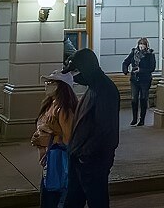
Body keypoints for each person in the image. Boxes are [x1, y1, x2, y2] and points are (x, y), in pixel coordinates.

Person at [62, 49, 120, 208]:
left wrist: (85, 155)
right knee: (73, 201)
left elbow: (106, 131)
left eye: (76, 71)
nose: (74, 77)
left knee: (97, 201)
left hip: (92, 162)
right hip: (81, 159)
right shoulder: (93, 88)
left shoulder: (105, 90)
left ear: (86, 68)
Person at [31, 70, 78, 208]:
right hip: (48, 160)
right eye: (47, 82)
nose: (47, 85)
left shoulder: (64, 109)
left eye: (51, 82)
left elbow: (69, 140)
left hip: (59, 162)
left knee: (55, 199)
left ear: (62, 86)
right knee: (47, 199)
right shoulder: (50, 104)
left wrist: (51, 139)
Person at [121, 37, 156, 126]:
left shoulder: (150, 54)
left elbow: (152, 68)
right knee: (134, 99)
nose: (141, 47)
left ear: (146, 46)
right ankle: (134, 118)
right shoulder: (134, 53)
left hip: (145, 80)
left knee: (143, 98)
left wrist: (141, 70)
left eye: (143, 45)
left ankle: (142, 119)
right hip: (134, 79)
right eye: (140, 45)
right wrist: (125, 70)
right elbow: (125, 62)